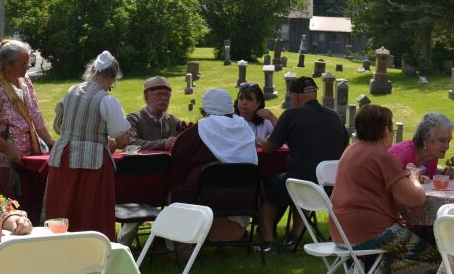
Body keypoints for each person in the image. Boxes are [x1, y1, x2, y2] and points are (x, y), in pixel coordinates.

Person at [330, 105, 440, 273]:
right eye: (392, 128)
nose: (393, 133)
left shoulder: (351, 150)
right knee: (434, 258)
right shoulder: (381, 156)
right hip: (371, 232)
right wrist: (413, 176)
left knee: (395, 259)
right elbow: (415, 199)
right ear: (385, 130)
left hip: (341, 232)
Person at [45, 51, 131, 241]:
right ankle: (92, 249)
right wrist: (109, 142)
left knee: (62, 205)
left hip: (63, 157)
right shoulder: (106, 100)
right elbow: (122, 140)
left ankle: (57, 246)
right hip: (92, 162)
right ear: (112, 78)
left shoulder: (71, 91)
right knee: (90, 210)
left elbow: (59, 127)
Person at [260, 76, 348, 253]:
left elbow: (270, 148)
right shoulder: (334, 116)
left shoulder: (291, 114)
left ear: (295, 96)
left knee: (268, 185)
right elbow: (345, 148)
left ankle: (268, 242)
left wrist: (258, 140)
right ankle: (294, 237)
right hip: (330, 188)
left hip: (299, 186)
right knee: (304, 181)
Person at [0, 39, 54, 206]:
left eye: (29, 62)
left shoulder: (25, 80)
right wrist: (8, 148)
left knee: (28, 202)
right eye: (23, 64)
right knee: (3, 205)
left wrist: (49, 141)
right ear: (8, 65)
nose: (28, 67)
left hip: (25, 157)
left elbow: (34, 114)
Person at [170, 88, 258, 241]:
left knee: (175, 190)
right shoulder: (243, 125)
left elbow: (178, 152)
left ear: (207, 107)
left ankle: (182, 241)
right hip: (244, 195)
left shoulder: (204, 126)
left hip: (208, 195)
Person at [126, 76, 188, 150]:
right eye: (158, 94)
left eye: (167, 94)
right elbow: (129, 142)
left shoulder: (174, 121)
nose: (164, 98)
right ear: (146, 97)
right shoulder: (134, 119)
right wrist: (163, 144)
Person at [388, 112, 454, 179]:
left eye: (449, 141)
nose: (447, 146)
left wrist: (442, 173)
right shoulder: (402, 154)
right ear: (425, 139)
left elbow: (423, 171)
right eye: (442, 140)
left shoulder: (432, 156)